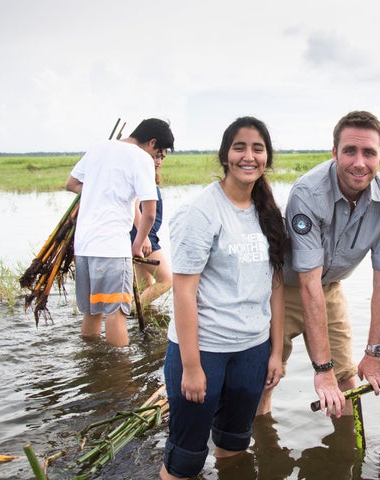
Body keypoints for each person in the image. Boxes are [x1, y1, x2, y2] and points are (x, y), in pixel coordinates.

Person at [160, 117, 286, 480]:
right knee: (185, 459)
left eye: (258, 148)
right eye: (240, 147)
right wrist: (192, 366)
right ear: (225, 156)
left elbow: (275, 287)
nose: (249, 156)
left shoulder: (268, 214)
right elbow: (183, 292)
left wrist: (275, 352)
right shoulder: (201, 211)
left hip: (253, 350)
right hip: (206, 351)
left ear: (267, 158)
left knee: (234, 445)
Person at [257, 110, 380, 418]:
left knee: (345, 377)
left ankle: (348, 453)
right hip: (284, 288)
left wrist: (374, 352)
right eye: (350, 151)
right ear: (334, 152)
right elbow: (308, 283)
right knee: (267, 377)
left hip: (330, 286)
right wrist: (321, 369)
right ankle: (260, 446)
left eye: (369, 153)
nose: (359, 162)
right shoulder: (309, 193)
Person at [65, 118, 175, 347]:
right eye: (159, 152)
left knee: (92, 312)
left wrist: (99, 191)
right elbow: (149, 213)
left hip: (85, 246)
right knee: (117, 314)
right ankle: (120, 376)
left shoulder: (99, 147)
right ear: (152, 142)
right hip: (112, 248)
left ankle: (91, 364)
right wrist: (139, 242)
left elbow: (72, 183)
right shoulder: (141, 158)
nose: (157, 158)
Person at [130, 150, 172, 307]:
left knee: (145, 289)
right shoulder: (142, 177)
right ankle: (129, 311)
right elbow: (134, 206)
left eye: (162, 157)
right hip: (144, 238)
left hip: (140, 237)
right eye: (155, 157)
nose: (159, 161)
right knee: (166, 280)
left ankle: (138, 323)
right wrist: (144, 238)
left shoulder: (147, 177)